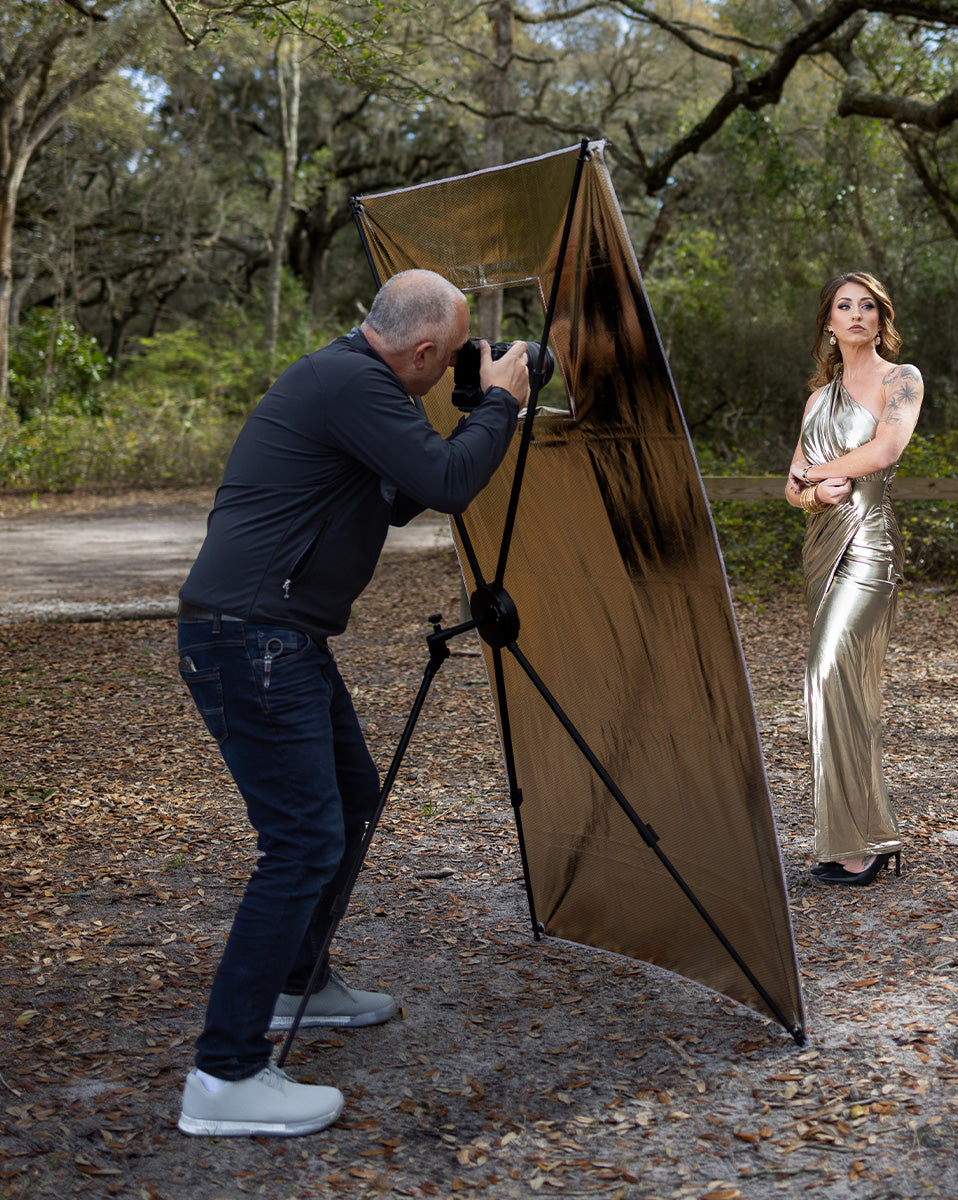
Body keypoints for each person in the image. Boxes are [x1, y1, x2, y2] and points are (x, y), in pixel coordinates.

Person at [174, 268, 530, 1137]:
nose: (454, 368)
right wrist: (500, 407)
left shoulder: (359, 382)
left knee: (350, 799)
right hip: (251, 638)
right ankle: (222, 1080)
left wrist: (475, 403)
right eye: (448, 358)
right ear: (419, 352)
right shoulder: (350, 382)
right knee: (301, 844)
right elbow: (448, 486)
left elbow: (411, 487)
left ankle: (303, 980)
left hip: (274, 635)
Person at [785, 271, 923, 888]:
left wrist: (822, 475)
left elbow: (887, 451)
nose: (857, 314)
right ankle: (863, 836)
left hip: (869, 546)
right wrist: (815, 494)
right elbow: (792, 489)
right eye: (845, 306)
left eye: (868, 306)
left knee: (827, 670)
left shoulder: (902, 379)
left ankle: (853, 841)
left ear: (880, 317)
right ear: (829, 322)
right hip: (821, 549)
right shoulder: (817, 400)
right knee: (846, 688)